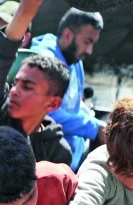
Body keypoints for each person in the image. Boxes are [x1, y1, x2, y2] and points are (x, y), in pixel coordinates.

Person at [0, 0, 72, 165]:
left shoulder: (57, 152)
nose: (13, 91)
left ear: (53, 104)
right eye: (15, 83)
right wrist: (27, 9)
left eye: (27, 87)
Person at [31, 8, 106, 170]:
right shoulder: (44, 61)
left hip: (73, 161)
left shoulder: (74, 59)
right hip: (48, 164)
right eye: (87, 42)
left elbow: (73, 106)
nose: (89, 50)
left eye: (93, 43)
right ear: (67, 35)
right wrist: (94, 127)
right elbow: (46, 113)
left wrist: (99, 124)